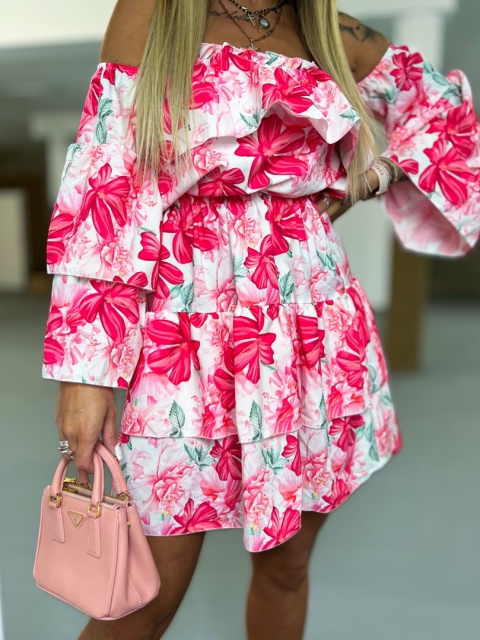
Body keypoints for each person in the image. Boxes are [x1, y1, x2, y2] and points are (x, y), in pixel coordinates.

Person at [42, 1, 480, 639]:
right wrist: (85, 373)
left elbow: (443, 109)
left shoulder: (327, 28)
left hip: (309, 324)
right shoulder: (156, 10)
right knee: (142, 598)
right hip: (181, 327)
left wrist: (373, 176)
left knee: (287, 567)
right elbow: (106, 181)